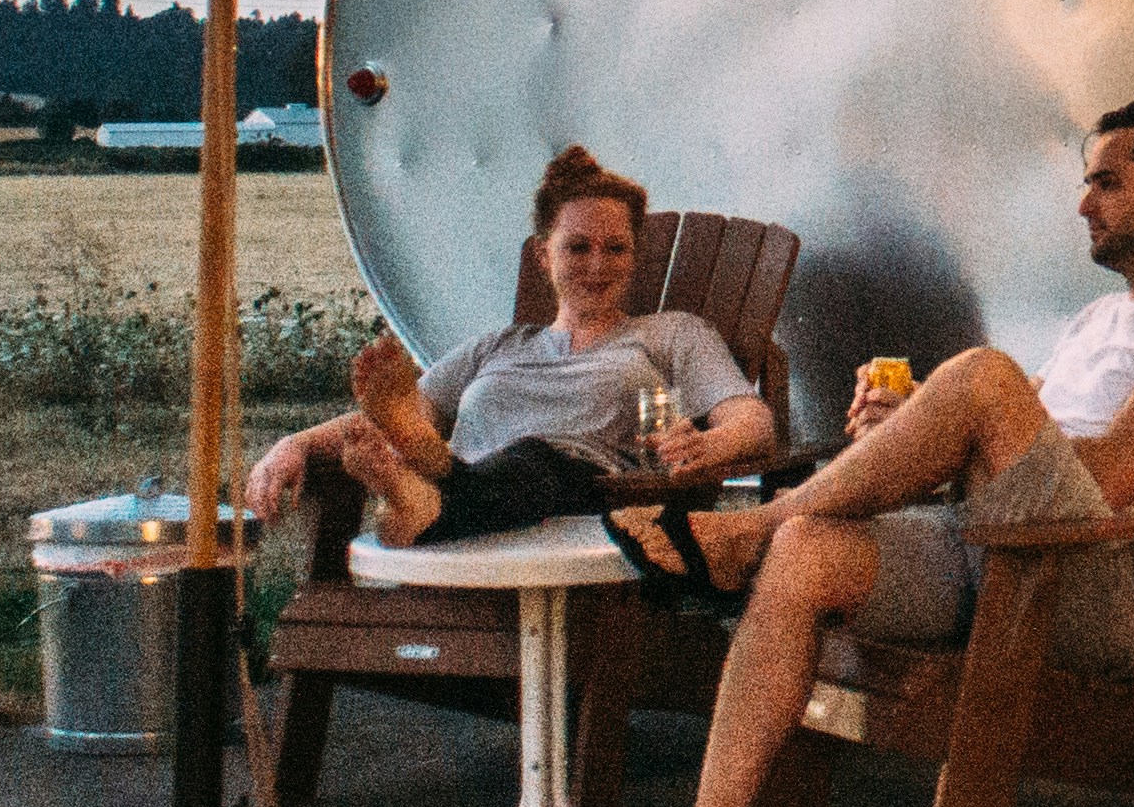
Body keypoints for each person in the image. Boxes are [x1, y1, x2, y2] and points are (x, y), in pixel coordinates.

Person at [564, 96, 1134, 807]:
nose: (1083, 203)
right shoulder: (1098, 320)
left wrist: (962, 421)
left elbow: (1109, 480)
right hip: (1001, 547)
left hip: (1100, 589)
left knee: (978, 377)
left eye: (1106, 183)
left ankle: (742, 530)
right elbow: (1020, 448)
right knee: (808, 547)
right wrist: (906, 435)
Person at [244, 147, 775, 553]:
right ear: (544, 256)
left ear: (636, 257)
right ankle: (431, 485)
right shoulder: (497, 347)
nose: (599, 265)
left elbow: (753, 421)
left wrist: (713, 445)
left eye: (617, 248)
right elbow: (382, 420)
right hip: (471, 519)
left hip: (581, 509)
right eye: (578, 247)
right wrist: (295, 443)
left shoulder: (671, 334)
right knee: (435, 440)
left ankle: (430, 486)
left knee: (534, 456)